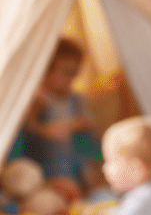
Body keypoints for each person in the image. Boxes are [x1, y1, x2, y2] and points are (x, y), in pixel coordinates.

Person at [21, 37, 102, 196]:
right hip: (47, 172)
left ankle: (85, 186)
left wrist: (78, 128)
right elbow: (28, 133)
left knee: (86, 140)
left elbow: (90, 144)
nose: (72, 78)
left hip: (77, 169)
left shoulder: (77, 101)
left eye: (75, 72)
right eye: (67, 72)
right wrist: (36, 113)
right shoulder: (37, 100)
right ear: (45, 71)